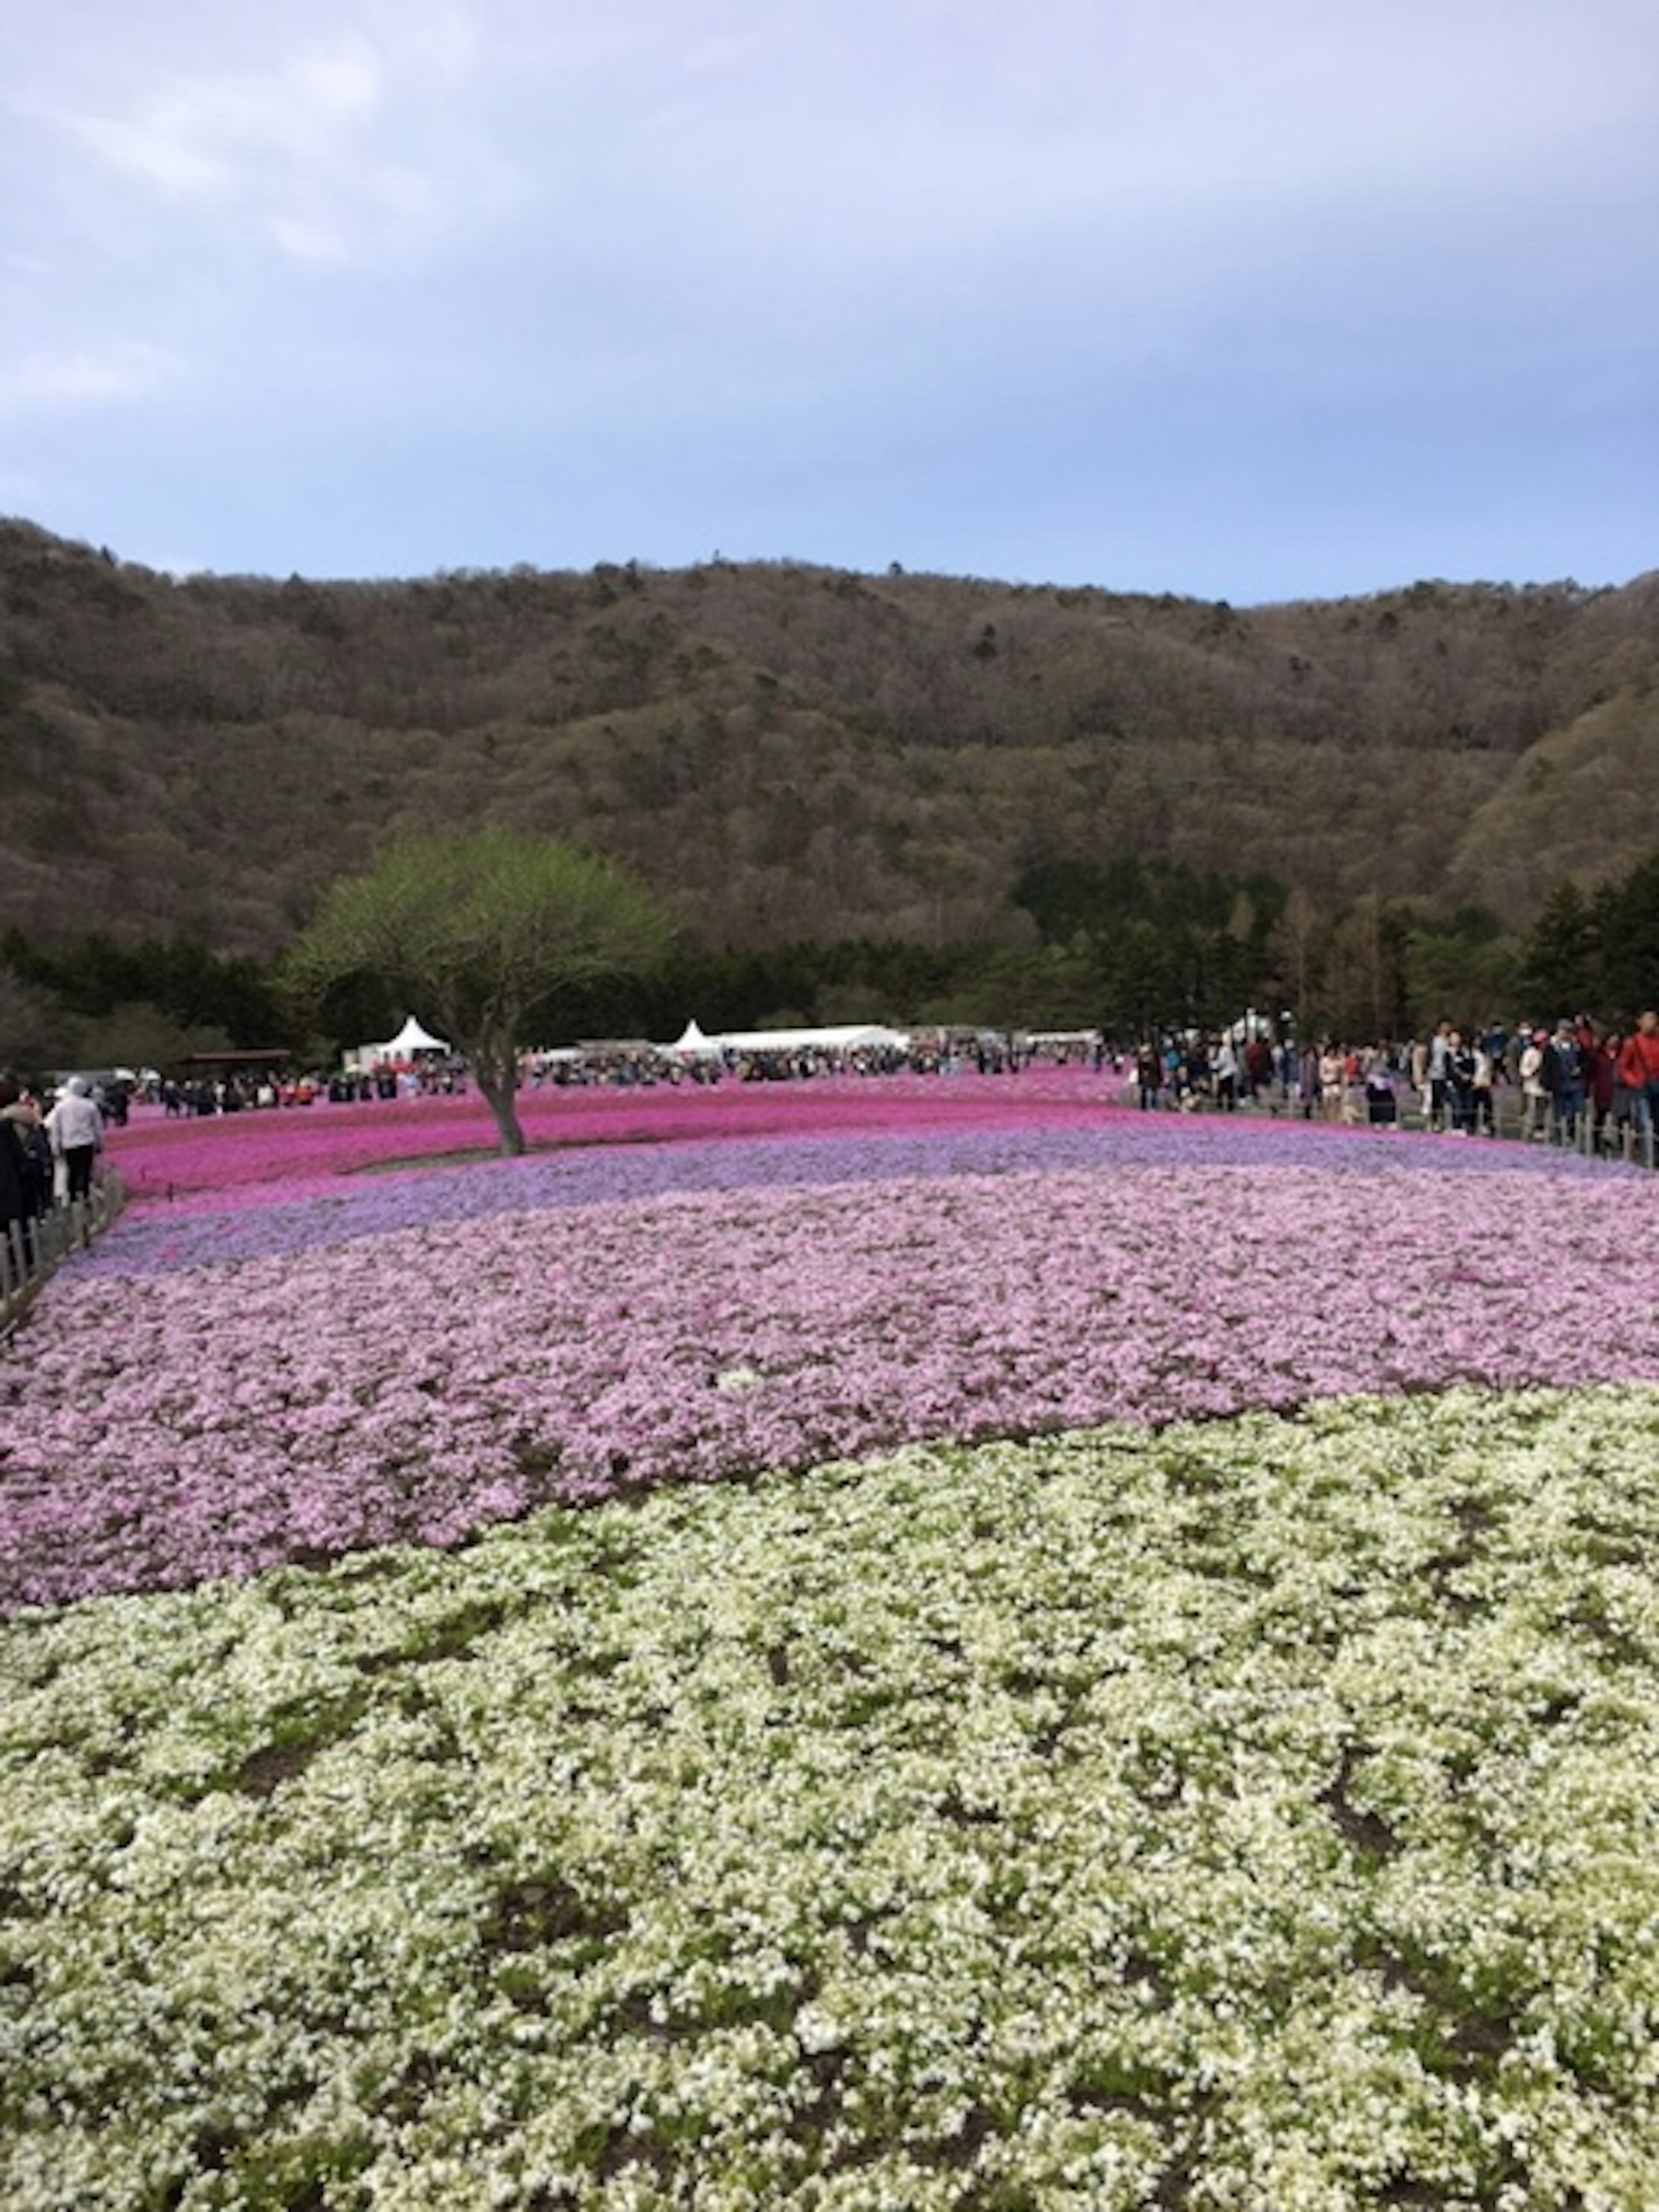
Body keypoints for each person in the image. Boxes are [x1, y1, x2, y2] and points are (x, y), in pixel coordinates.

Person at [45, 1075, 104, 1203]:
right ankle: (86, 1194)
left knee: (72, 1170)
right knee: (86, 1170)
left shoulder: (61, 1107)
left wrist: (55, 1145)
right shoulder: (90, 1106)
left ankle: (72, 1196)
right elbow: (97, 1127)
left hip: (69, 1143)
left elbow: (56, 1128)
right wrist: (100, 1143)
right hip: (87, 1142)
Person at [1618, 1012, 1659, 1142]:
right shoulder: (1633, 1043)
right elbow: (1624, 1067)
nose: (1652, 1022)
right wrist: (1634, 1081)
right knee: (1645, 1119)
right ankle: (1649, 1151)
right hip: (1642, 1085)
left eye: (1654, 1019)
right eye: (1649, 1019)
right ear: (1640, 1022)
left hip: (1657, 1083)